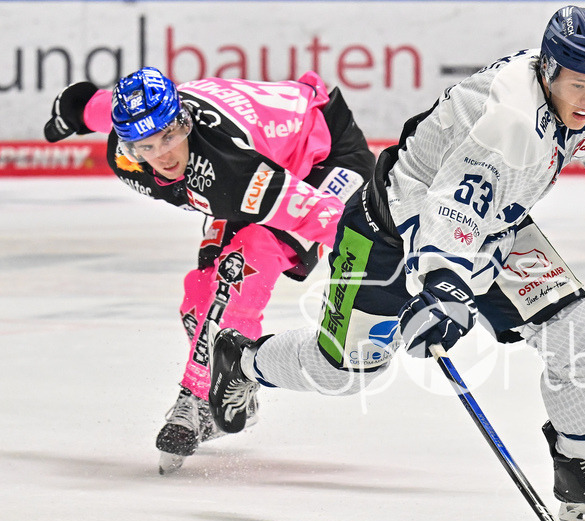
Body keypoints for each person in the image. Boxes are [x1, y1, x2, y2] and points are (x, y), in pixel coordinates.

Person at [209, 5, 585, 521]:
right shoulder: (507, 121)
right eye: (578, 86)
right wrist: (448, 285)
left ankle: (576, 468)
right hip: (388, 236)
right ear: (549, 71)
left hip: (495, 227)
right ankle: (243, 360)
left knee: (578, 331)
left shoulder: (582, 91)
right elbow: (452, 207)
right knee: (344, 373)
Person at [43, 67, 375, 474]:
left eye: (170, 136)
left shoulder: (227, 170)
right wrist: (71, 110)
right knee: (198, 295)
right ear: (126, 147)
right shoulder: (126, 147)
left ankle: (198, 396)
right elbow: (96, 107)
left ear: (185, 120)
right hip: (255, 167)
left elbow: (328, 217)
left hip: (325, 159)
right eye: (145, 146)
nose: (163, 155)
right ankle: (236, 384)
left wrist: (396, 257)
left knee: (245, 267)